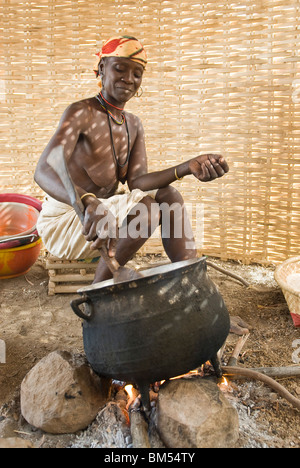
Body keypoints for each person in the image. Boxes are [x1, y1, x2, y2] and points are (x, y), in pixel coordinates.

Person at [34, 35, 230, 285]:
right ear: (102, 69)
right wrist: (87, 200)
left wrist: (187, 167)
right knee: (147, 210)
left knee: (169, 196)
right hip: (69, 219)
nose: (129, 78)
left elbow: (137, 182)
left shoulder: (133, 125)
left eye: (137, 73)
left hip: (104, 217)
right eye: (120, 68)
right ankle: (100, 292)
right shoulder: (81, 113)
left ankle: (195, 288)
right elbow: (43, 170)